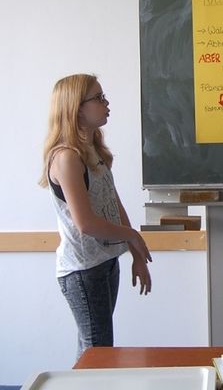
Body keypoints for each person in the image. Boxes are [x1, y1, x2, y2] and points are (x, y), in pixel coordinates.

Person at [39, 74, 152, 359]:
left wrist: (136, 253)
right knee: (97, 351)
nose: (106, 103)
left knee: (94, 349)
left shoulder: (92, 151)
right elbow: (86, 224)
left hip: (104, 262)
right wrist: (133, 236)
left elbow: (114, 204)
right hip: (82, 270)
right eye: (98, 98)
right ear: (76, 107)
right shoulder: (66, 157)